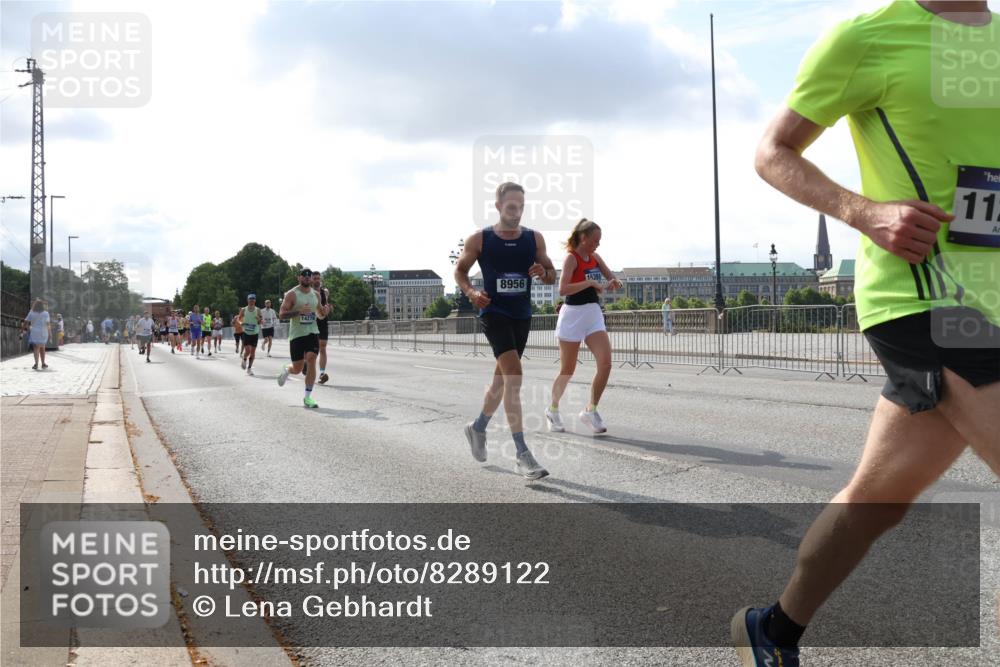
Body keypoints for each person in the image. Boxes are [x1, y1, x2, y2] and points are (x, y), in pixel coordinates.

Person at [731, 2, 1000, 666]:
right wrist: (865, 211)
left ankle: (774, 628)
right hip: (925, 293)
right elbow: (772, 151)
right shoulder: (868, 36)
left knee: (876, 499)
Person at [454, 181, 557, 480]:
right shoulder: (480, 239)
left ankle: (477, 428)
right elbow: (460, 270)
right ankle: (522, 454)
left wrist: (543, 273)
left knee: (501, 382)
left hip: (522, 315)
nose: (517, 212)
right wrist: (472, 292)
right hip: (494, 312)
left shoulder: (534, 239)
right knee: (514, 375)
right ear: (499, 206)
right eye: (512, 206)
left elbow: (551, 274)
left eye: (522, 206)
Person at [545, 218, 621, 435]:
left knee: (605, 364)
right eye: (595, 240)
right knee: (567, 370)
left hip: (593, 314)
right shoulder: (572, 258)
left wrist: (614, 281)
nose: (598, 244)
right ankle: (552, 409)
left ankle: (590, 410)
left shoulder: (595, 257)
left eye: (600, 240)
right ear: (583, 238)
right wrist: (588, 283)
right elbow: (563, 289)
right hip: (572, 316)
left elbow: (609, 275)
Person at [277, 268, 321, 408]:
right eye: (304, 276)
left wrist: (324, 312)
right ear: (299, 278)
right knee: (297, 368)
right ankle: (287, 369)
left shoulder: (316, 295)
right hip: (297, 335)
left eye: (309, 276)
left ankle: (307, 397)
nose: (307, 278)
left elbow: (319, 313)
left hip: (312, 332)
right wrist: (299, 312)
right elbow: (282, 315)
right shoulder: (292, 294)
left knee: (312, 358)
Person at [312, 272, 333, 384]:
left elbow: (326, 304)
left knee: (322, 348)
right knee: (311, 350)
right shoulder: (308, 292)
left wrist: (328, 308)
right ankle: (307, 366)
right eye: (315, 278)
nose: (317, 280)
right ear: (311, 280)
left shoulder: (325, 292)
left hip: (323, 322)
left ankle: (321, 373)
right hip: (311, 322)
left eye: (318, 278)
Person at [22, 299, 51, 370]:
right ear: (42, 306)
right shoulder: (46, 313)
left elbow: (25, 321)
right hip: (43, 332)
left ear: (34, 305)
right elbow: (48, 324)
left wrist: (23, 329)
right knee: (42, 348)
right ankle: (43, 363)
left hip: (34, 332)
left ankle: (36, 364)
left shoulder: (31, 312)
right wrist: (50, 333)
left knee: (36, 348)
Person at [237, 294, 262, 376]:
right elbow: (239, 318)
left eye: (253, 299)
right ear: (247, 300)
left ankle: (249, 368)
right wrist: (241, 323)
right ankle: (244, 359)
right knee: (247, 350)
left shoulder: (258, 310)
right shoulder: (244, 309)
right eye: (250, 299)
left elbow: (261, 321)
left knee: (253, 352)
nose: (251, 301)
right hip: (246, 332)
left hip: (255, 333)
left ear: (255, 300)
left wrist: (259, 320)